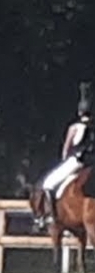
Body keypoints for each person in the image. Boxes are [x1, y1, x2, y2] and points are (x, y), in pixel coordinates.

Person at [39, 81, 93, 221]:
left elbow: (66, 148)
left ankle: (53, 216)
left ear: (79, 112)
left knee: (48, 184)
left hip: (76, 161)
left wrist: (64, 160)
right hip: (91, 162)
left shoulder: (74, 127)